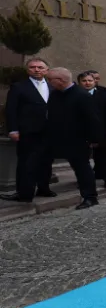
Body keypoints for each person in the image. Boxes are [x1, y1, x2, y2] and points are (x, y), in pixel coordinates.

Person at [44, 68, 101, 209]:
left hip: (78, 140)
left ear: (61, 81)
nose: (48, 82)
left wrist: (93, 139)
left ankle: (90, 197)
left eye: (50, 80)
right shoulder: (55, 94)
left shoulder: (81, 95)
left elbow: (92, 119)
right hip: (57, 138)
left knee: (82, 168)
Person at [1, 57, 55, 203]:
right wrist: (13, 129)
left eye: (40, 67)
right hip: (27, 132)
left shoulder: (53, 87)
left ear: (47, 70)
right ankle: (24, 193)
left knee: (46, 161)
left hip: (49, 132)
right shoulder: (19, 87)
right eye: (33, 67)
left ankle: (44, 188)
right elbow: (11, 110)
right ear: (27, 70)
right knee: (26, 163)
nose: (36, 70)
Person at [78, 72, 106, 189]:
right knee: (83, 158)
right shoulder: (76, 95)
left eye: (90, 80)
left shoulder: (103, 95)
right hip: (82, 132)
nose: (87, 83)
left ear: (95, 82)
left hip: (101, 131)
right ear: (80, 82)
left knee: (103, 156)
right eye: (84, 81)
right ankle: (85, 180)